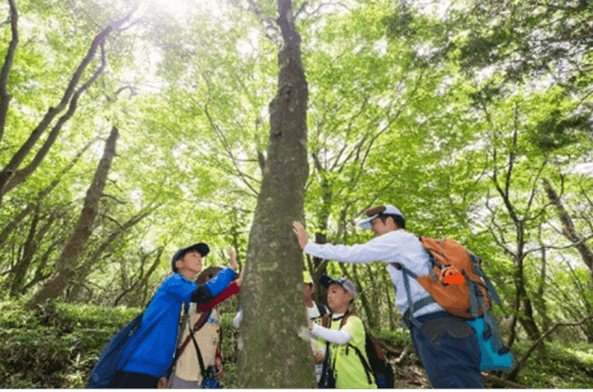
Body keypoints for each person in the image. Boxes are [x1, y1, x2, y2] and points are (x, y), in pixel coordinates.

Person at [293, 204, 484, 389]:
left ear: (390, 221)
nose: (373, 231)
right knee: (457, 381)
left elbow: (355, 253)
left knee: (454, 383)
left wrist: (308, 246)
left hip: (437, 326)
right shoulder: (411, 245)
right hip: (444, 325)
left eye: (375, 224)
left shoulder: (398, 240)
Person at [106, 242, 239, 389]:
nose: (199, 258)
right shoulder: (174, 281)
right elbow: (202, 295)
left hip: (154, 369)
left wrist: (163, 373)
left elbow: (174, 335)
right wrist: (230, 272)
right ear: (179, 263)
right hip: (137, 366)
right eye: (193, 255)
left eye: (200, 256)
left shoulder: (185, 295)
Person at [232, 271, 329, 383]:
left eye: (303, 286)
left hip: (319, 367)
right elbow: (238, 322)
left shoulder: (322, 310)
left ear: (312, 289)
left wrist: (322, 351)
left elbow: (327, 335)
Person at [170, 249, 243, 389]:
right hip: (186, 372)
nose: (224, 286)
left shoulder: (215, 312)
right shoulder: (195, 304)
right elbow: (213, 299)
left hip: (206, 374)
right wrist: (237, 283)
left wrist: (216, 358)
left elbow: (212, 337)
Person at [308, 274, 377, 390]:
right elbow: (323, 346)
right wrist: (321, 354)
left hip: (362, 386)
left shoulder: (354, 321)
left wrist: (312, 327)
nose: (329, 295)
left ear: (349, 296)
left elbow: (342, 337)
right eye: (328, 292)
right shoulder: (327, 322)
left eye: (334, 292)